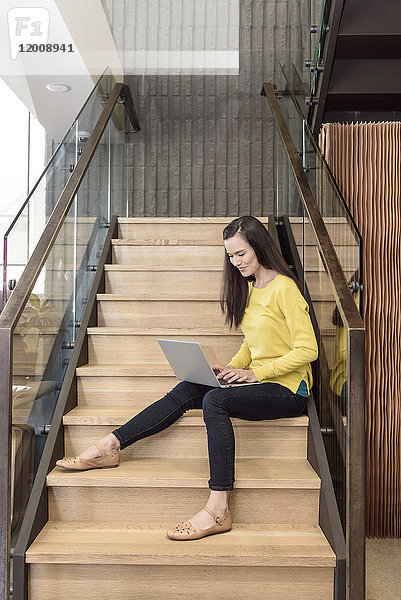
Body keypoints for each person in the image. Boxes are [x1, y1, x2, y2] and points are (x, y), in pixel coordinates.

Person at [56, 215, 318, 541]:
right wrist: (228, 368)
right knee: (189, 388)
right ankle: (110, 446)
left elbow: (308, 350)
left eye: (242, 254)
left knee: (215, 400)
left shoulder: (285, 288)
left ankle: (219, 506)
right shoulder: (252, 289)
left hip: (289, 389)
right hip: (258, 380)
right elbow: (253, 343)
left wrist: (255, 373)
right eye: (231, 256)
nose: (236, 262)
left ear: (260, 247)